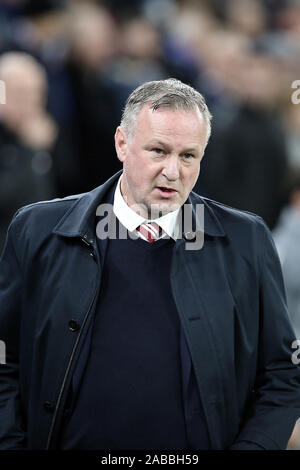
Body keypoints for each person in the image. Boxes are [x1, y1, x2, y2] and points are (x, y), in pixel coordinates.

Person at [0, 78, 299, 450]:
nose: (173, 172)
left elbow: (283, 373)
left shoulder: (246, 241)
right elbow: (4, 360)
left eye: (188, 156)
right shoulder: (38, 230)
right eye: (158, 151)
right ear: (121, 144)